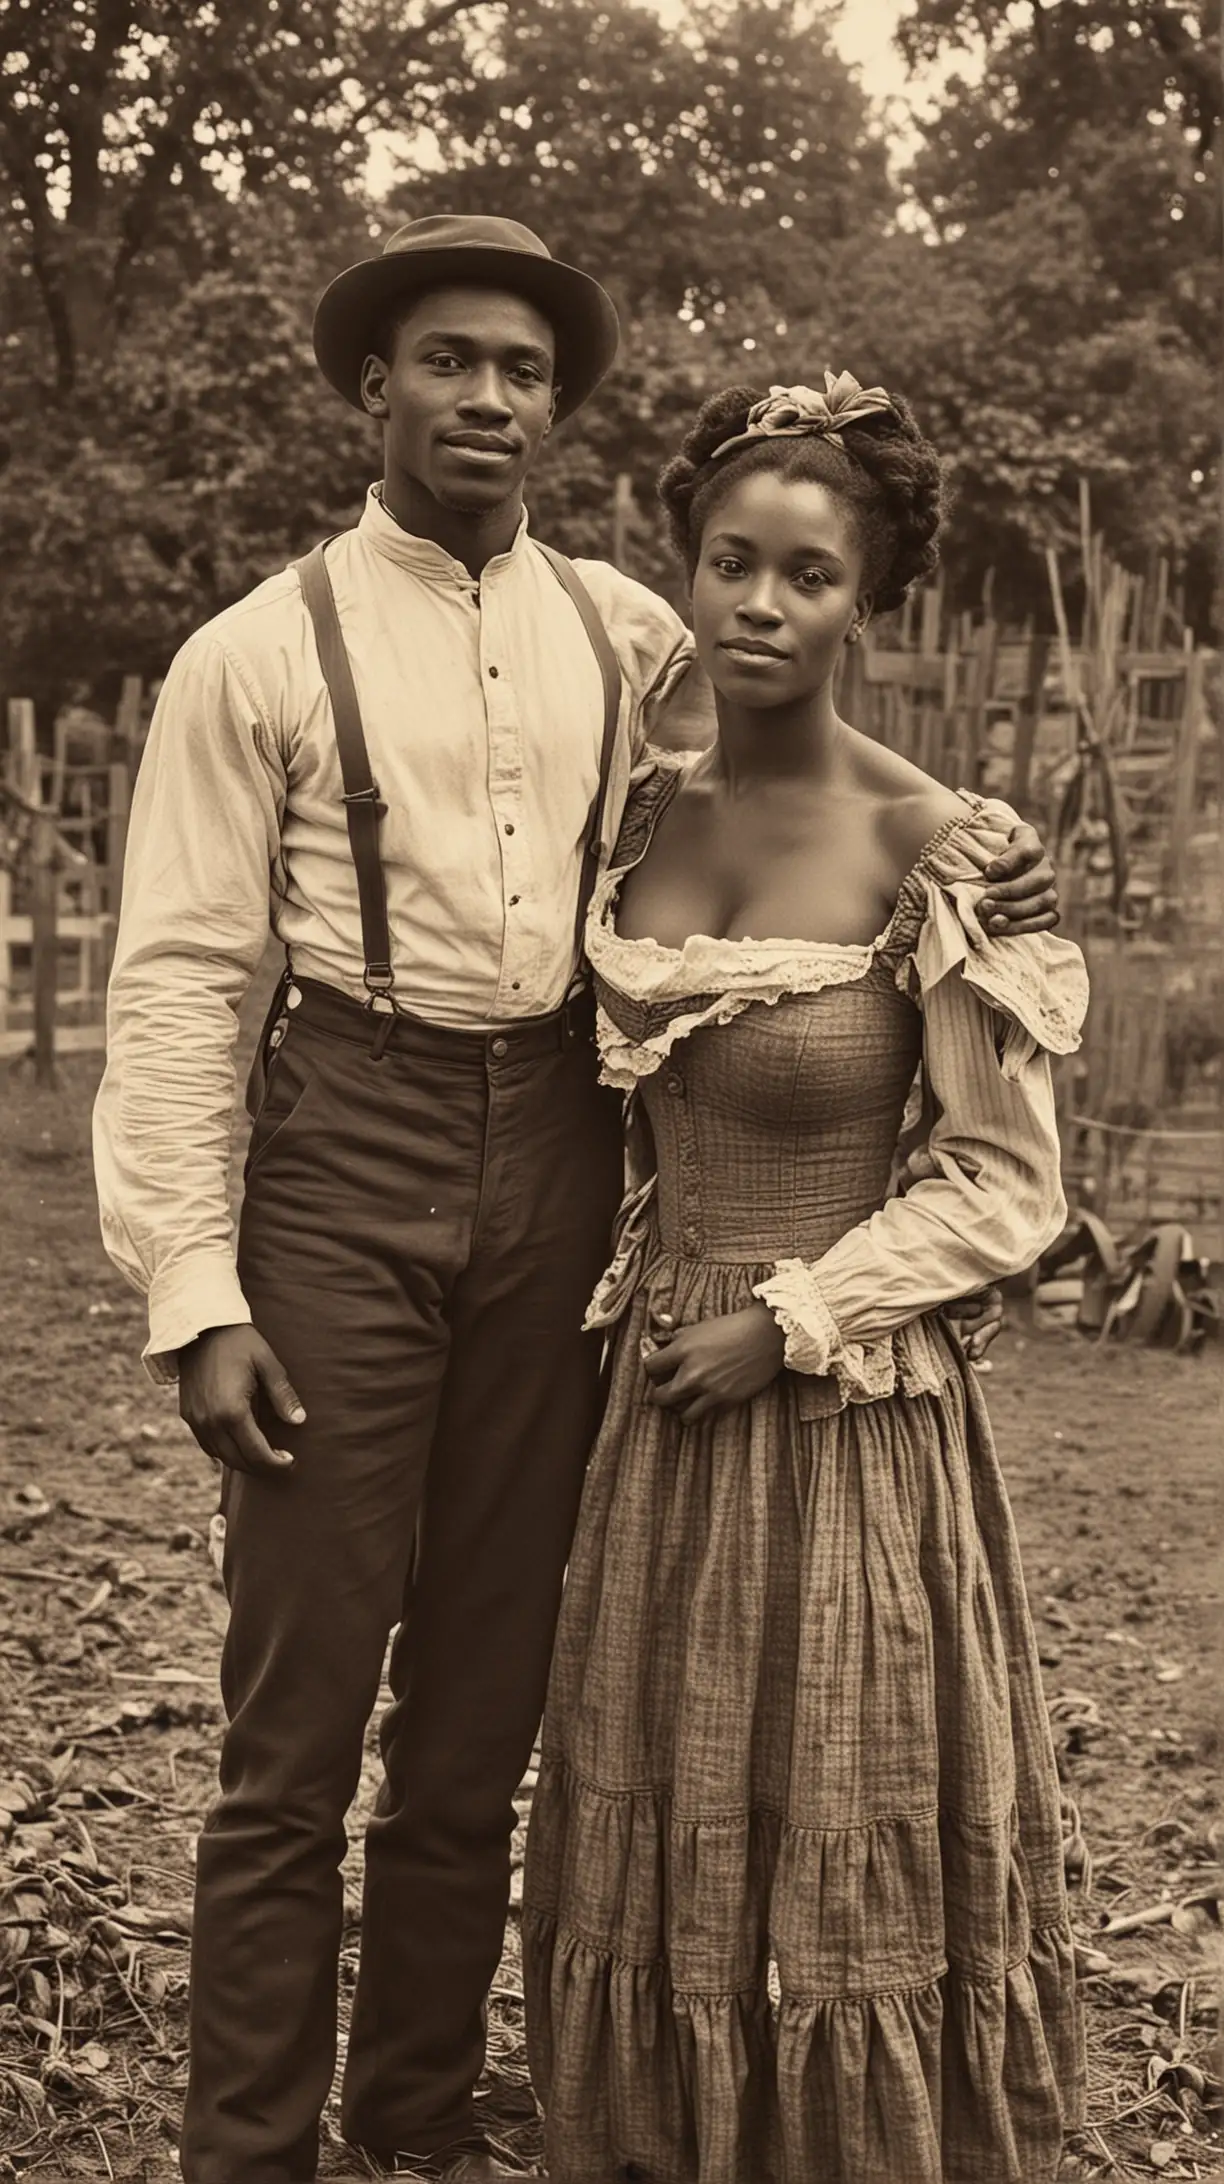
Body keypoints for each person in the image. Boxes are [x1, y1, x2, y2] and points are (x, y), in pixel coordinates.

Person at [92, 214, 1061, 2184]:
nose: (487, 400)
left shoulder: (626, 628)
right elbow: (187, 980)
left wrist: (993, 845)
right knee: (296, 1720)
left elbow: (808, 763)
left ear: (559, 406)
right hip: (345, 1145)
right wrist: (196, 1289)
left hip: (553, 1157)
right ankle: (247, 2148)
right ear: (373, 385)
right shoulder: (253, 655)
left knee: (480, 1706)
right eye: (448, 360)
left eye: (524, 371)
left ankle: (422, 2120)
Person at [521, 376, 1090, 2184]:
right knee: (662, 1759)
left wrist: (789, 1322)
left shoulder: (941, 849)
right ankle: (673, 2125)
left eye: (810, 576)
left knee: (836, 1768)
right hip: (651, 1395)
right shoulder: (631, 820)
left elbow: (1007, 1183)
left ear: (869, 599)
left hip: (842, 1401)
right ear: (684, 573)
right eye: (730, 563)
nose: (760, 606)